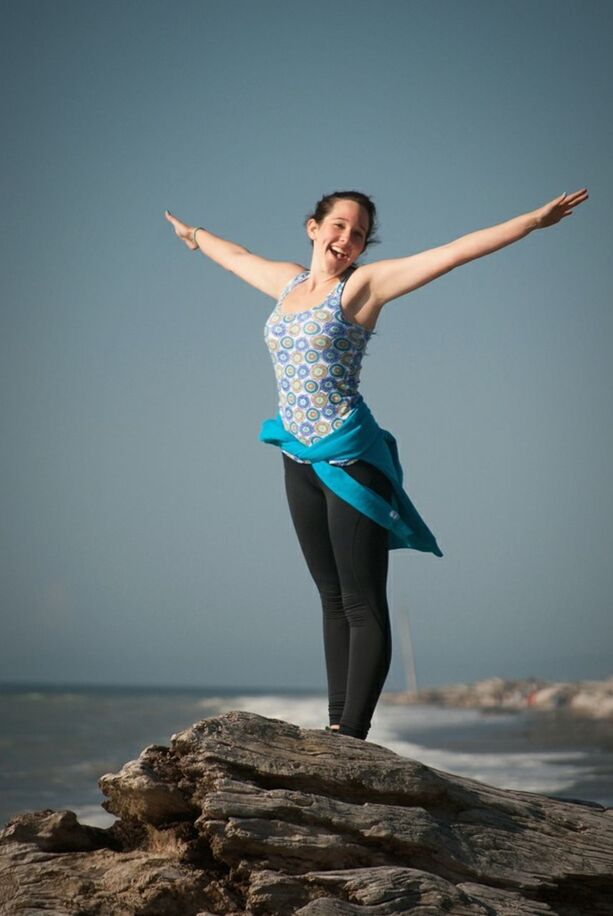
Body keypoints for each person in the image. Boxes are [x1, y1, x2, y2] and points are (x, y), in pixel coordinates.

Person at [164, 186, 588, 740]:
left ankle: (352, 733)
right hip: (297, 458)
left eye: (358, 233)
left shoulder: (361, 287)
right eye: (338, 226)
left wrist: (530, 221)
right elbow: (237, 256)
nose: (347, 239)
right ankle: (335, 724)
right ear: (313, 227)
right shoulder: (288, 283)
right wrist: (194, 236)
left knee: (363, 601)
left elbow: (452, 252)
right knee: (330, 597)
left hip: (351, 458)